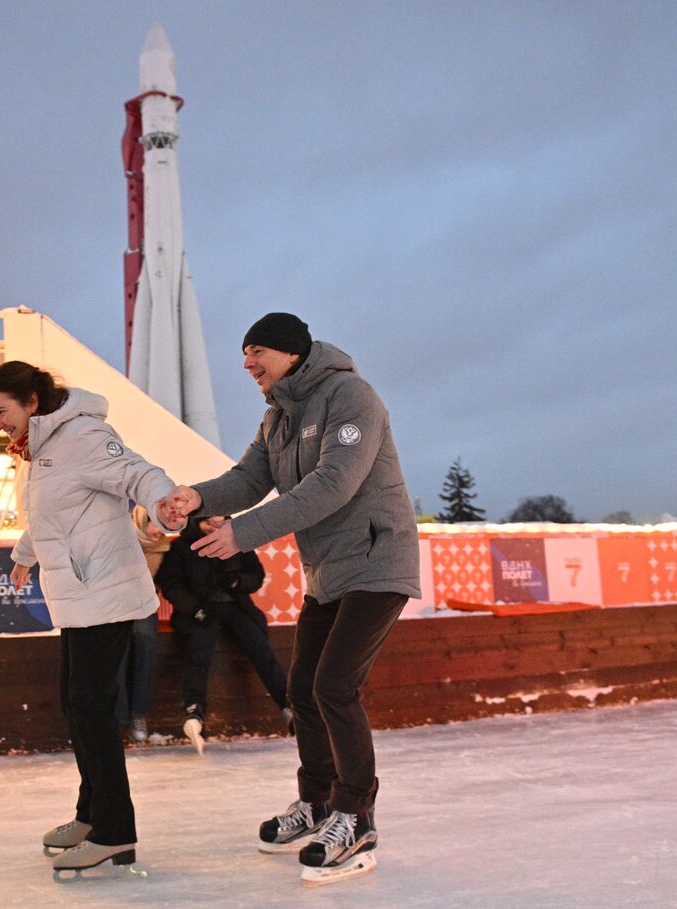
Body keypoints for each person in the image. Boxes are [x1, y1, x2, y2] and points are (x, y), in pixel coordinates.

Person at [164, 312, 420, 888]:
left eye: (257, 351)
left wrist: (243, 534)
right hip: (328, 571)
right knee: (304, 689)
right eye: (244, 354)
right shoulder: (278, 416)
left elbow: (334, 485)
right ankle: (320, 804)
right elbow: (249, 480)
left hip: (379, 562)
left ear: (291, 352)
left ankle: (356, 817)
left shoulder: (351, 396)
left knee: (334, 686)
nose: (247, 364)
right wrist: (195, 495)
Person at [0, 360, 180, 879]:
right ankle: (91, 817)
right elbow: (52, 512)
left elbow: (140, 473)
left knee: (92, 711)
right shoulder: (42, 447)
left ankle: (115, 833)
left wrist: (165, 505)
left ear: (30, 401)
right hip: (79, 596)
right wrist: (25, 553)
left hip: (106, 594)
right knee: (78, 706)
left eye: (1, 410)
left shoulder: (84, 435)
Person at [155, 514, 290, 755]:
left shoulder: (236, 541)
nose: (215, 528)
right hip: (200, 611)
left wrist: (238, 582)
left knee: (261, 649)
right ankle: (194, 711)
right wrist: (193, 609)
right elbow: (171, 583)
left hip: (236, 606)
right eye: (209, 523)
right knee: (199, 653)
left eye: (221, 522)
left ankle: (289, 706)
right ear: (197, 522)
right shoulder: (182, 547)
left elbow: (256, 574)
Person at [115, 505, 170, 744]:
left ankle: (138, 714)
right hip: (114, 604)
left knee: (146, 648)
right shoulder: (120, 539)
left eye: (163, 525)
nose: (159, 531)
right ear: (141, 521)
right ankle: (118, 718)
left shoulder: (165, 547)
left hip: (144, 604)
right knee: (118, 656)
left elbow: (169, 578)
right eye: (155, 523)